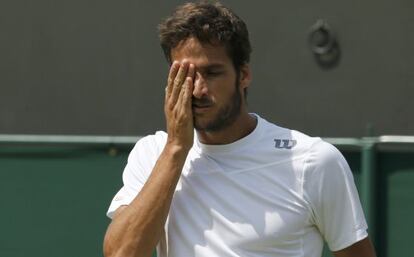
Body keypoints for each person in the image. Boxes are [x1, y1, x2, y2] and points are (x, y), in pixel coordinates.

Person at [103, 1, 376, 257]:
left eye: (212, 73)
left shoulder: (314, 161)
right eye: (186, 75)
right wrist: (176, 148)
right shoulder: (152, 154)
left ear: (243, 75)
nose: (197, 89)